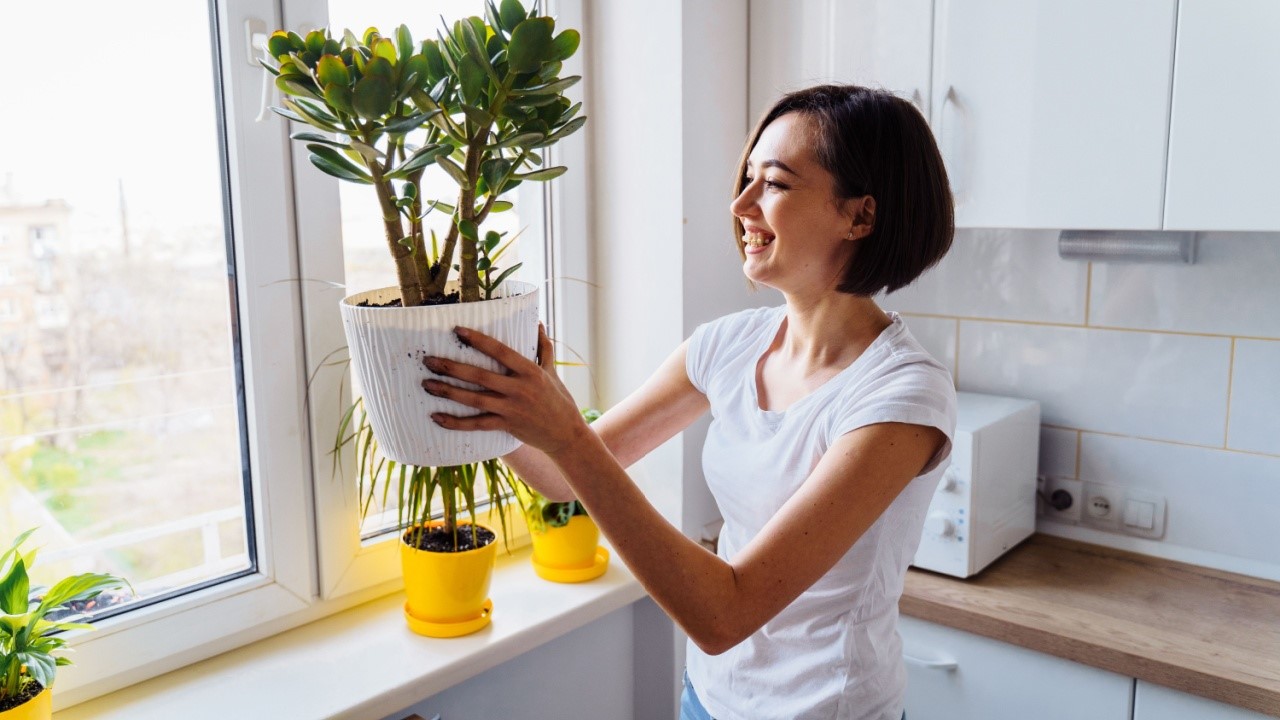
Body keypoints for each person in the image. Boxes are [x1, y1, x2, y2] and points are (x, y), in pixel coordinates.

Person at [421, 84, 956, 720]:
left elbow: (724, 613)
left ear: (859, 216)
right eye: (747, 177)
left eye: (777, 184)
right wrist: (498, 400)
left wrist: (565, 432)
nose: (741, 204)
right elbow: (560, 479)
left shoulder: (900, 395)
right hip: (708, 698)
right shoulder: (727, 347)